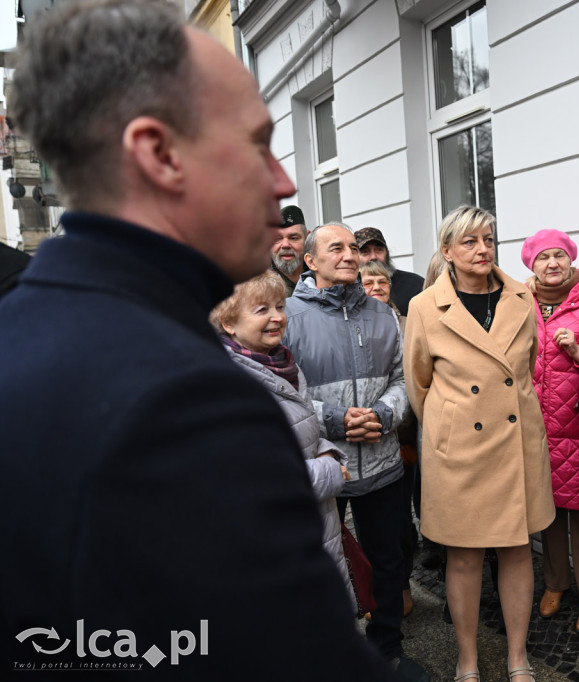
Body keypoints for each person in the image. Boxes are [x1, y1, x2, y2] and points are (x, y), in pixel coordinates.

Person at [0, 1, 397, 679]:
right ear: (158, 155)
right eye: (256, 143)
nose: (285, 180)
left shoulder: (26, 324)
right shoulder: (184, 401)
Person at [404, 205, 555, 682]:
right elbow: (418, 385)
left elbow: (526, 370)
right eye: (469, 241)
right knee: (464, 556)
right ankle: (466, 658)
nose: (482, 248)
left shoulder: (521, 296)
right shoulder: (424, 307)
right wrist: (450, 429)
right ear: (447, 251)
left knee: (516, 549)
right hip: (461, 451)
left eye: (488, 238)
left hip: (516, 444)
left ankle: (517, 656)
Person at [284, 222, 426, 682]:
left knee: (388, 563)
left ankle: (387, 652)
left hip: (383, 463)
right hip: (327, 464)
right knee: (322, 563)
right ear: (310, 261)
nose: (349, 255)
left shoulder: (384, 314)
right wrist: (336, 420)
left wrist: (385, 413)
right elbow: (285, 389)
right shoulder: (288, 315)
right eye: (335, 248)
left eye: (352, 247)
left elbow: (404, 380)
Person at [211, 271, 357, 611]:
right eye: (261, 309)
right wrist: (330, 470)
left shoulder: (280, 364)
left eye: (279, 305)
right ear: (228, 322)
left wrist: (327, 451)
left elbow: (302, 432)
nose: (277, 316)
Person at [522, 229, 579, 633]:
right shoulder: (520, 301)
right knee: (547, 514)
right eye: (543, 258)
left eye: (559, 255)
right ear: (532, 264)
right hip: (534, 427)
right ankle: (555, 584)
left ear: (571, 259)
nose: (552, 263)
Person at [360, 259, 418, 617]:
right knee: (372, 524)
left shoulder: (408, 323)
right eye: (368, 282)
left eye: (382, 281)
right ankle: (373, 588)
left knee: (399, 518)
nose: (377, 287)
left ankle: (402, 584)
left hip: (404, 436)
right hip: (362, 435)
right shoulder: (354, 326)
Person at [354, 226, 425, 315]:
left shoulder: (415, 284)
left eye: (379, 250)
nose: (373, 257)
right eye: (365, 251)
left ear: (387, 253)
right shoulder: (348, 290)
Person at [271, 204, 307, 295]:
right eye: (277, 239)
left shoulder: (322, 272)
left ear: (307, 238)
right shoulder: (255, 283)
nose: (285, 245)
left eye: (293, 238)